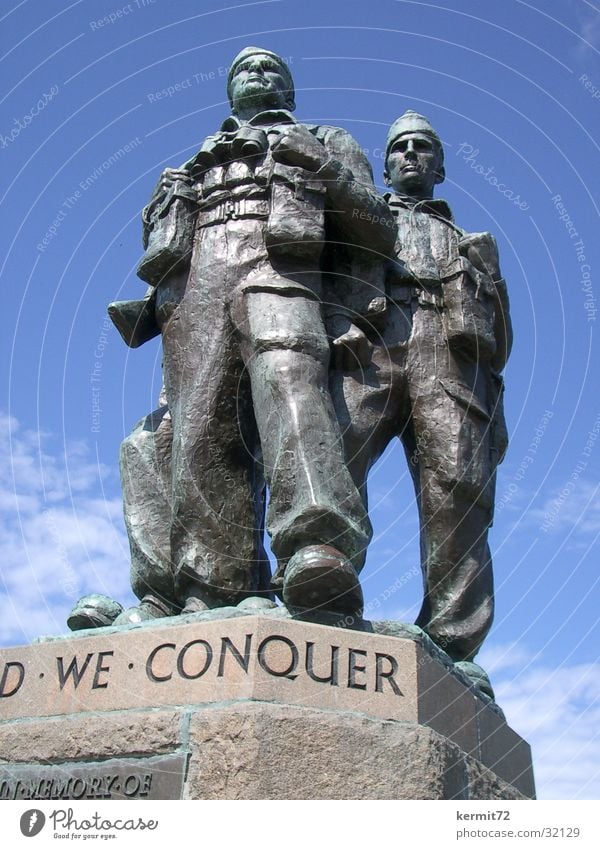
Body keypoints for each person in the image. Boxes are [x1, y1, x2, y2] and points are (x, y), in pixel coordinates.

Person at [126, 47, 396, 617]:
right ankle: (213, 583)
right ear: (229, 92)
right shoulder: (195, 160)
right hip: (196, 281)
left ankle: (316, 546)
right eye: (244, 69)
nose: (258, 73)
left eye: (273, 67)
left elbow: (378, 228)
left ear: (291, 91)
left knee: (290, 378)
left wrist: (321, 166)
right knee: (200, 423)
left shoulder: (327, 137)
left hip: (280, 266)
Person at [332, 111, 511, 677]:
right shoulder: (363, 215)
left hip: (449, 352)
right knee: (334, 454)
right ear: (385, 164)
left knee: (458, 487)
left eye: (423, 148)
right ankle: (323, 591)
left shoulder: (470, 243)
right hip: (374, 337)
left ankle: (453, 643)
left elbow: (501, 335)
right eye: (400, 148)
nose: (410, 154)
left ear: (440, 166)